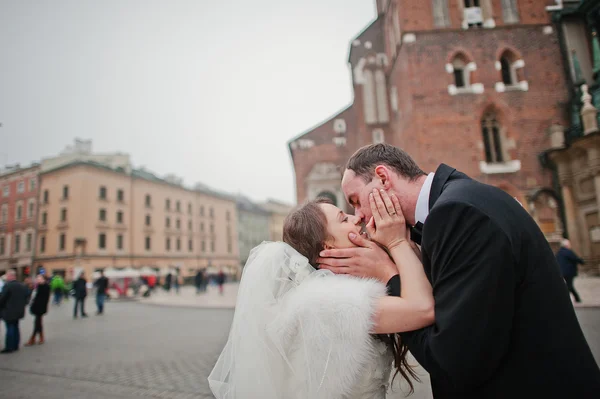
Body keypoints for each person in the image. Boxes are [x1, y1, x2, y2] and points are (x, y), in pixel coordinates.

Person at [318, 143, 600, 398]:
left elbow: (454, 362)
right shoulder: (459, 200)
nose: (360, 217)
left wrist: (388, 273)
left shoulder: (457, 214)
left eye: (356, 201)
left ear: (383, 177)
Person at [209, 191, 434, 398]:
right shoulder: (330, 302)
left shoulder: (330, 293)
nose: (356, 218)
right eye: (343, 219)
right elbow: (423, 309)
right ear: (328, 247)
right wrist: (397, 242)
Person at [0, 270, 29, 354]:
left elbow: (2, 299)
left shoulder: (8, 286)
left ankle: (9, 347)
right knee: (16, 327)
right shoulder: (22, 285)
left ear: (10, 276)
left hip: (9, 311)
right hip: (19, 311)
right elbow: (26, 298)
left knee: (10, 328)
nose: (6, 278)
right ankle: (15, 345)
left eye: (7, 276)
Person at [556, 238, 585, 303]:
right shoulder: (568, 251)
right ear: (566, 245)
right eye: (569, 244)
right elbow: (575, 258)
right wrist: (582, 262)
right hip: (569, 272)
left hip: (562, 271)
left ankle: (577, 299)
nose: (570, 245)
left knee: (569, 285)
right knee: (569, 286)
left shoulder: (559, 252)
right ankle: (564, 299)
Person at [25, 274, 50, 346]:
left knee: (37, 323)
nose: (37, 279)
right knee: (38, 322)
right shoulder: (37, 286)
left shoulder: (45, 286)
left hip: (40, 307)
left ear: (43, 279)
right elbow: (32, 295)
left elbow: (45, 299)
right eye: (37, 278)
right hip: (36, 307)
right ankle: (41, 337)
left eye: (39, 278)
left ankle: (32, 338)